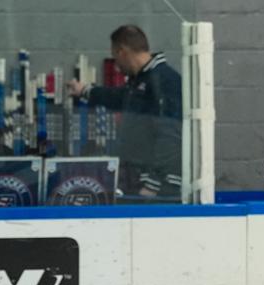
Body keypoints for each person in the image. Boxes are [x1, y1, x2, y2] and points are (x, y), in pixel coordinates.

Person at [67, 25, 182, 202]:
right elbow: (119, 97)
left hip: (159, 189)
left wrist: (153, 185)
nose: (117, 67)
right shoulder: (141, 81)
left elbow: (170, 136)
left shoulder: (164, 80)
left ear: (122, 51)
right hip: (140, 181)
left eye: (115, 57)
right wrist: (85, 91)